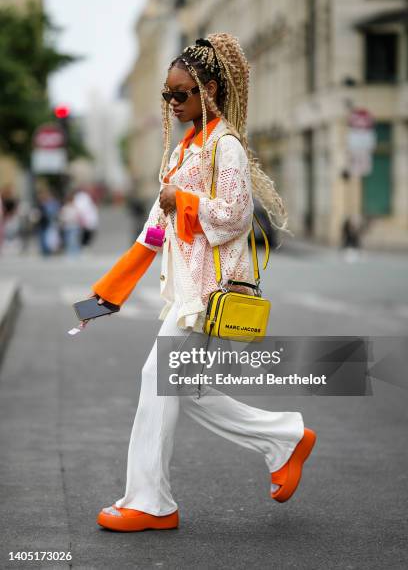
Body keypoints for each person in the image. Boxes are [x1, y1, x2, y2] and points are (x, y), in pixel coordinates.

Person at [86, 33, 317, 532]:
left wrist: (181, 202)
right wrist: (105, 296)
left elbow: (233, 216)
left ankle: (150, 502)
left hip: (210, 293)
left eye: (180, 94)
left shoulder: (224, 146)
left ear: (209, 89)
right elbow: (151, 235)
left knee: (157, 380)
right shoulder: (182, 153)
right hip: (188, 292)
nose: (171, 103)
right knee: (188, 390)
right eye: (166, 95)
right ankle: (284, 438)